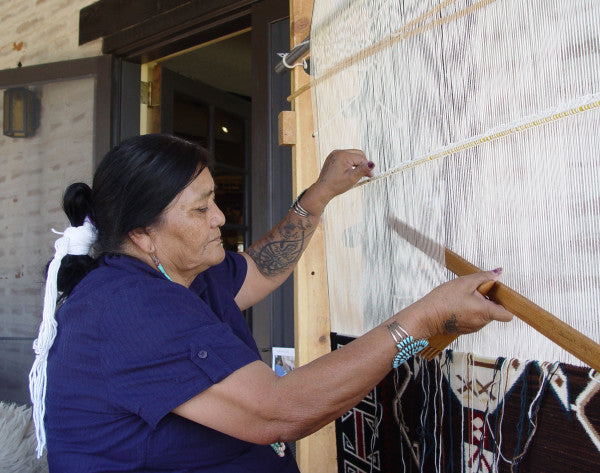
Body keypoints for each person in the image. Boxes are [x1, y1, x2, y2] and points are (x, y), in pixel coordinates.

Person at [29, 134, 513, 472]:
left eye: (214, 198)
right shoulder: (128, 309)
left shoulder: (182, 272)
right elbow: (278, 412)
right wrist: (423, 319)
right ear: (141, 235)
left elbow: (260, 267)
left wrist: (318, 196)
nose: (220, 216)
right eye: (200, 209)